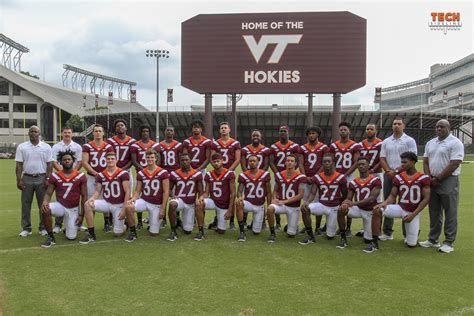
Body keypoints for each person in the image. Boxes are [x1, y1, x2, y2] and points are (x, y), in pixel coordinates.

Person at [367, 152, 430, 253]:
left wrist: (413, 214)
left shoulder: (423, 178)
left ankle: (413, 235)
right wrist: (384, 203)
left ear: (413, 162)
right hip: (400, 208)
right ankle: (374, 242)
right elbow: (392, 196)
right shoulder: (399, 177)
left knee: (411, 244)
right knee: (377, 210)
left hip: (413, 212)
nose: (402, 165)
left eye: (405, 162)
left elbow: (426, 199)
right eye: (402, 162)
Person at [420, 119, 464, 253]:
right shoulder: (430, 143)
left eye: (442, 127)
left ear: (449, 128)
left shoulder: (455, 143)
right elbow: (426, 161)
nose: (439, 129)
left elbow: (454, 163)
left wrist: (438, 178)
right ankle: (433, 239)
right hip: (432, 180)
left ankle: (449, 242)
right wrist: (429, 178)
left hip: (448, 180)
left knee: (450, 211)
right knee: (434, 211)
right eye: (437, 127)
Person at [79, 151, 130, 244]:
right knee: (87, 204)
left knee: (117, 233)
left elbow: (127, 192)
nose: (110, 161)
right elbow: (98, 191)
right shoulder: (101, 175)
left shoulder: (123, 173)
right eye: (108, 159)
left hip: (119, 205)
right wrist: (92, 198)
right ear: (105, 160)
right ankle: (91, 233)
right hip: (106, 203)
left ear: (116, 160)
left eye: (112, 159)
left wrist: (124, 210)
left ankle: (126, 225)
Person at [379, 118, 417, 241]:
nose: (396, 125)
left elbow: (412, 159)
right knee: (388, 201)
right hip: (389, 174)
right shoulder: (386, 141)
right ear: (392, 126)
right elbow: (382, 158)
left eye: (399, 124)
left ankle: (407, 234)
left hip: (406, 175)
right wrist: (388, 171)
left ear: (403, 126)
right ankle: (387, 232)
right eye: (394, 123)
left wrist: (396, 171)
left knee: (406, 203)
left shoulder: (409, 140)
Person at [40, 150, 87, 247]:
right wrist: (45, 202)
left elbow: (84, 196)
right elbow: (48, 193)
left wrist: (82, 215)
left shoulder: (81, 176)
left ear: (73, 161)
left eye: (69, 159)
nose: (67, 161)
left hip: (73, 209)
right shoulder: (55, 176)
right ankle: (50, 237)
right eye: (64, 159)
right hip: (60, 206)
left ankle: (68, 226)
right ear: (60, 162)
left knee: (71, 237)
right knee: (45, 209)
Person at [299, 154, 347, 245]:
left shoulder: (341, 177)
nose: (327, 163)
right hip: (322, 205)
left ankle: (343, 238)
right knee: (305, 208)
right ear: (322, 164)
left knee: (330, 236)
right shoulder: (318, 177)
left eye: (329, 161)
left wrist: (341, 205)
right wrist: (307, 201)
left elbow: (345, 194)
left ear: (333, 163)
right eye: (325, 162)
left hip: (334, 207)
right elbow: (313, 193)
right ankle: (310, 236)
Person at [15, 125, 54, 237]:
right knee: (26, 204)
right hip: (26, 177)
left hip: (42, 178)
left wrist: (48, 178)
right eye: (31, 132)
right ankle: (26, 228)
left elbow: (50, 164)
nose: (33, 134)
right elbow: (19, 164)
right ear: (28, 134)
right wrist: (19, 180)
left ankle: (43, 227)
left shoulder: (46, 147)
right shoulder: (22, 147)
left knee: (42, 204)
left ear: (39, 133)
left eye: (35, 132)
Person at [125, 149, 169, 242]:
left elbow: (166, 192)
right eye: (148, 157)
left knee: (154, 234)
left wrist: (163, 209)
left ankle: (153, 220)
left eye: (152, 157)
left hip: (157, 204)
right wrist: (133, 199)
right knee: (129, 206)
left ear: (156, 158)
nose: (150, 159)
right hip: (144, 201)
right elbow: (137, 191)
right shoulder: (141, 173)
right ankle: (133, 232)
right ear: (145, 158)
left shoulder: (163, 172)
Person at [336, 156, 381, 249]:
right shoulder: (353, 182)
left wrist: (354, 203)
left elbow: (372, 199)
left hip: (370, 211)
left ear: (369, 166)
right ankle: (343, 238)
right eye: (359, 164)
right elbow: (349, 198)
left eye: (363, 164)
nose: (361, 166)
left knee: (367, 240)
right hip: (358, 209)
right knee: (341, 210)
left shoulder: (376, 180)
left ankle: (369, 235)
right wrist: (345, 203)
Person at [329, 122, 361, 237]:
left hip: (348, 176)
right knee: (335, 200)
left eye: (345, 130)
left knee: (347, 200)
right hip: (336, 176)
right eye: (341, 130)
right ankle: (337, 226)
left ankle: (348, 228)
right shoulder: (334, 145)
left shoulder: (354, 145)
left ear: (349, 131)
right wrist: (336, 174)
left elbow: (356, 162)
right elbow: (331, 161)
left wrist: (345, 174)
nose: (343, 131)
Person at [195, 153, 236, 241]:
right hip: (213, 201)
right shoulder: (208, 175)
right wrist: (201, 197)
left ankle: (217, 220)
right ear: (212, 163)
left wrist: (230, 210)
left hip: (224, 204)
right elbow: (206, 192)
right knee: (199, 204)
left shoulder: (229, 174)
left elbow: (233, 193)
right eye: (214, 162)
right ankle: (201, 231)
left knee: (221, 231)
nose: (216, 163)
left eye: (218, 161)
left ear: (222, 161)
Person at [82, 124, 115, 232]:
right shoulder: (87, 146)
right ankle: (91, 225)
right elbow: (84, 163)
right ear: (93, 133)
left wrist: (104, 175)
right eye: (96, 131)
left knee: (106, 199)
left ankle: (107, 222)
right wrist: (96, 173)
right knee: (91, 200)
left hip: (105, 177)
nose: (98, 133)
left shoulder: (108, 146)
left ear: (103, 133)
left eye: (100, 131)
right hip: (92, 177)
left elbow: (112, 162)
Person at [51, 126, 83, 233]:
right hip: (60, 177)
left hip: (74, 177)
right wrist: (62, 173)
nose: (67, 134)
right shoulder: (56, 147)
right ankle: (58, 225)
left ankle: (78, 224)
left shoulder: (77, 147)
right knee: (60, 199)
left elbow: (79, 161)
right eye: (65, 132)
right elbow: (54, 161)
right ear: (62, 134)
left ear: (72, 134)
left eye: (69, 132)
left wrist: (73, 173)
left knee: (75, 198)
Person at [267, 154, 306, 243]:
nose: (289, 162)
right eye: (288, 160)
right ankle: (272, 233)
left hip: (293, 206)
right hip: (281, 204)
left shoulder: (301, 177)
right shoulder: (279, 175)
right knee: (270, 208)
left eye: (292, 161)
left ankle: (292, 227)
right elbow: (275, 190)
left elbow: (300, 195)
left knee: (291, 235)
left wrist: (285, 201)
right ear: (285, 162)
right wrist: (274, 198)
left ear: (296, 163)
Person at [269, 124, 301, 231]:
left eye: (285, 131)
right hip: (279, 175)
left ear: (288, 132)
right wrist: (278, 173)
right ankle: (277, 223)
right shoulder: (274, 146)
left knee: (291, 194)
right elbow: (271, 162)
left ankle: (291, 223)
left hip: (292, 176)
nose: (283, 133)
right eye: (281, 131)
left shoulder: (294, 146)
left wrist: (291, 172)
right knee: (276, 196)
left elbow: (298, 161)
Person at [210, 122, 241, 230]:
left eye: (225, 128)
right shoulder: (215, 143)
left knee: (231, 195)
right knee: (219, 196)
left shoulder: (235, 143)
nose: (223, 129)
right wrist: (217, 168)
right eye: (221, 128)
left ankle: (232, 220)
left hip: (229, 172)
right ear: (219, 130)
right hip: (218, 172)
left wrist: (229, 171)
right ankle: (217, 218)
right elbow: (212, 158)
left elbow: (237, 159)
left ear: (229, 130)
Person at [299, 126, 329, 235]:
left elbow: (324, 163)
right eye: (309, 133)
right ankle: (308, 227)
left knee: (318, 203)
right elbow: (301, 163)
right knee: (306, 202)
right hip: (306, 179)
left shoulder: (324, 147)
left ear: (318, 134)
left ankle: (317, 227)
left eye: (313, 133)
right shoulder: (303, 148)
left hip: (319, 179)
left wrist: (316, 176)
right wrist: (304, 176)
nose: (311, 135)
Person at [130, 124, 161, 229]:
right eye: (143, 131)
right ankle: (139, 222)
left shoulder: (155, 145)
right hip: (141, 174)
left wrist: (153, 169)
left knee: (153, 195)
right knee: (139, 195)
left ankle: (154, 218)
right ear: (140, 133)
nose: (145, 133)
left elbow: (159, 159)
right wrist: (143, 170)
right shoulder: (135, 145)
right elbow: (134, 160)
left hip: (154, 174)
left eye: (147, 131)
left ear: (149, 133)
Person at [167, 152, 203, 241]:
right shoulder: (174, 174)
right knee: (172, 205)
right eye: (182, 160)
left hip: (191, 203)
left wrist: (198, 200)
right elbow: (169, 189)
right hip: (180, 200)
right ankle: (173, 231)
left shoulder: (197, 174)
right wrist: (172, 195)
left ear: (190, 161)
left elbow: (200, 191)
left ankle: (181, 221)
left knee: (187, 231)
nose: (184, 162)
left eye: (186, 160)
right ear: (179, 162)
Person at [236, 154, 272, 241]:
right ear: (248, 163)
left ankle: (254, 224)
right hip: (248, 203)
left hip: (259, 206)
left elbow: (268, 192)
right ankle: (242, 232)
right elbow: (239, 191)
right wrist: (240, 197)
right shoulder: (244, 175)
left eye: (254, 161)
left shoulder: (265, 175)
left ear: (258, 162)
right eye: (250, 161)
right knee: (238, 203)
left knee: (256, 232)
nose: (252, 163)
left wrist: (269, 206)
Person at [160, 126, 184, 229]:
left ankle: (177, 218)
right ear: (164, 132)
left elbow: (180, 160)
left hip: (175, 174)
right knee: (163, 197)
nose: (169, 132)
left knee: (175, 196)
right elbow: (159, 161)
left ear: (174, 133)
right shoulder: (160, 145)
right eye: (167, 130)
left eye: (171, 130)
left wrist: (178, 173)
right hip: (164, 174)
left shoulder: (178, 145)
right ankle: (164, 219)